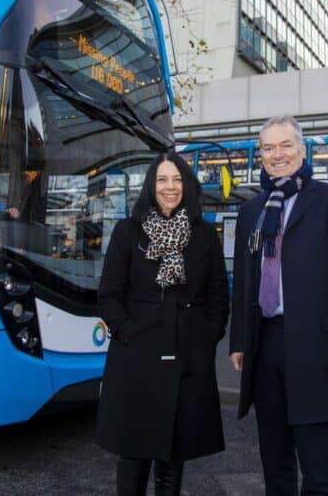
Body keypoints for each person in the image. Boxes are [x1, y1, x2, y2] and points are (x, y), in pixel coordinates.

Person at [229, 115, 328, 495]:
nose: (278, 155)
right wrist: (239, 340)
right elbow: (244, 282)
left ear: (302, 150)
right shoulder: (251, 212)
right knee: (275, 464)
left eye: (286, 145)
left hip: (317, 348)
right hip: (265, 344)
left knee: (318, 466)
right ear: (261, 156)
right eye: (269, 148)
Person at [96, 152, 230, 495]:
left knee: (175, 452)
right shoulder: (128, 231)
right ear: (150, 186)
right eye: (162, 180)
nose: (170, 187)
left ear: (187, 185)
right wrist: (127, 331)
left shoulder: (205, 236)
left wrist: (205, 336)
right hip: (136, 355)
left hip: (187, 354)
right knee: (133, 453)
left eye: (177, 180)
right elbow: (109, 294)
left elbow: (218, 297)